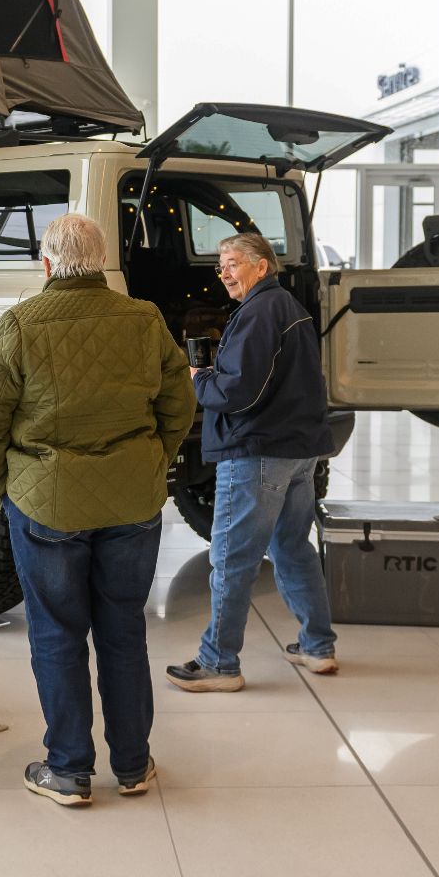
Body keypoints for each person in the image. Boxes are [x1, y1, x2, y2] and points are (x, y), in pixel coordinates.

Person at [0, 212, 195, 807]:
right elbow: (181, 402)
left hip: (47, 504)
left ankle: (68, 770)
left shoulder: (20, 324)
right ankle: (133, 766)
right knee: (123, 631)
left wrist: (1, 488)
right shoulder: (144, 320)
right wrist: (150, 460)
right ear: (101, 263)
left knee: (56, 633)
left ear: (46, 264)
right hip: (132, 502)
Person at [167, 232, 339, 693]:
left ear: (261, 266)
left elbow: (238, 391)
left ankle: (219, 663)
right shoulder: (287, 307)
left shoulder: (259, 313)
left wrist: (200, 379)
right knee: (292, 547)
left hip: (258, 451)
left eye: (232, 263)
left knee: (233, 558)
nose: (224, 272)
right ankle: (318, 646)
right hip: (299, 449)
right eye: (220, 265)